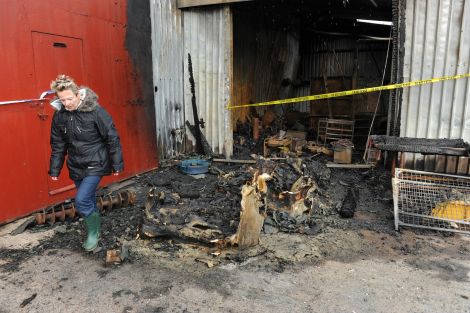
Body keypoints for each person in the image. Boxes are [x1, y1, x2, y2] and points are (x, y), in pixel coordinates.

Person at [48, 74, 124, 252]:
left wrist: (117, 164)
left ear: (78, 95)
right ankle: (96, 230)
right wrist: (55, 169)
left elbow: (112, 138)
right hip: (76, 164)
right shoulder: (60, 116)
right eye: (62, 99)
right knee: (88, 199)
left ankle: (92, 233)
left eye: (69, 98)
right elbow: (58, 144)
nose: (66, 103)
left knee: (81, 200)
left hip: (96, 162)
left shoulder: (95, 111)